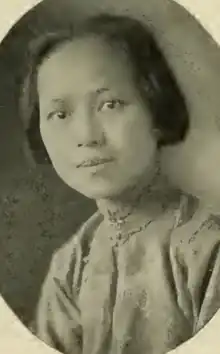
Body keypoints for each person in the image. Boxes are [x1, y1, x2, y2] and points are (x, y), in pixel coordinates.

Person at [19, 13, 220, 354]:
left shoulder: (205, 250)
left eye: (110, 105)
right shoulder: (70, 264)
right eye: (60, 114)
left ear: (155, 110)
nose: (86, 136)